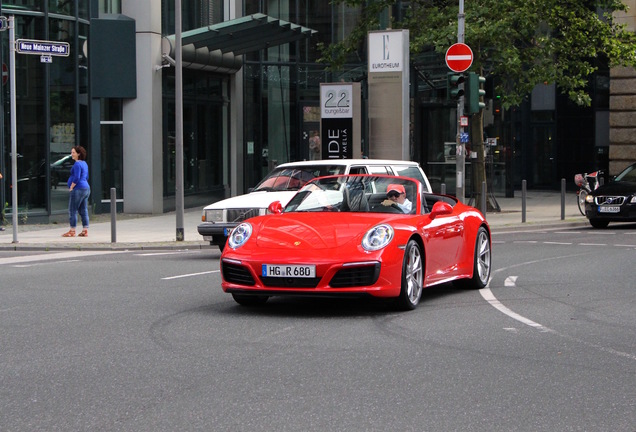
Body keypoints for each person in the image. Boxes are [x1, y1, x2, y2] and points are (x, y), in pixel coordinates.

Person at [62, 146, 90, 237]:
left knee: (72, 209)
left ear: (79, 154)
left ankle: (72, 230)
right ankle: (85, 229)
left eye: (73, 152)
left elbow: (77, 177)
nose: (72, 154)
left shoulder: (77, 164)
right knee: (83, 209)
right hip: (86, 188)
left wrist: (71, 187)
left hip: (78, 189)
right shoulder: (84, 164)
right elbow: (86, 177)